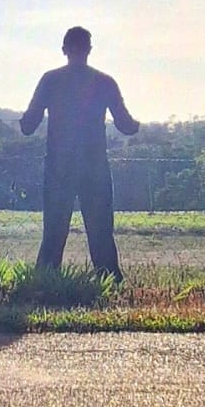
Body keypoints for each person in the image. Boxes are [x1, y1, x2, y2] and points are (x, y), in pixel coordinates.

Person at [20, 25, 139, 279]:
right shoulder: (105, 82)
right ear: (89, 50)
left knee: (53, 230)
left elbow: (28, 126)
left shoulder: (50, 80)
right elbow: (126, 126)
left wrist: (23, 121)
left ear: (64, 50)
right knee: (101, 233)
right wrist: (139, 126)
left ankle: (46, 281)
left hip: (58, 166)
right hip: (94, 165)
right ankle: (109, 283)